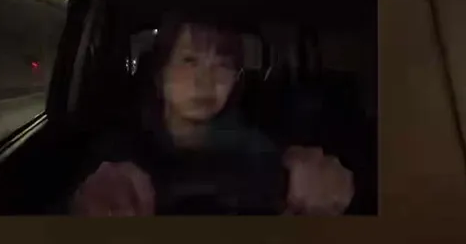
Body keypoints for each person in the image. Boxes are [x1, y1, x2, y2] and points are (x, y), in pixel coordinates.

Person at [71, 15, 355, 216]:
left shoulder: (257, 148)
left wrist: (310, 194)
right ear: (160, 73)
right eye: (190, 60)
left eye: (222, 65)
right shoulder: (118, 146)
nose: (205, 82)